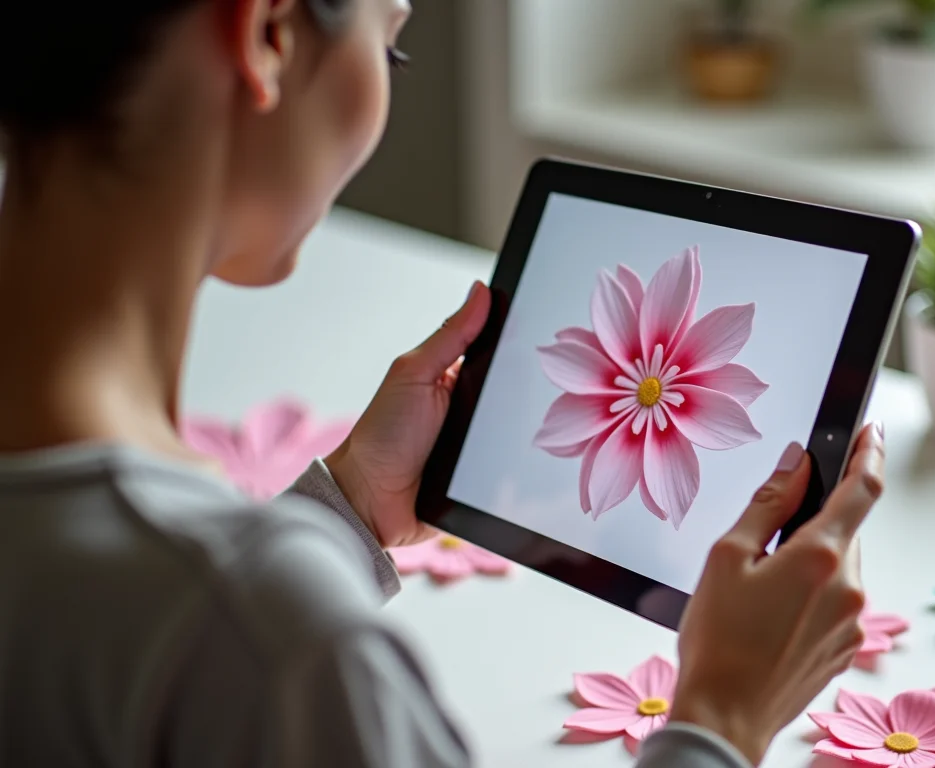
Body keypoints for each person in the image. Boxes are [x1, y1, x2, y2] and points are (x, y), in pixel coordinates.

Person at [0, 1, 887, 766]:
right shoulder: (283, 651)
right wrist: (724, 715)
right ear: (267, 32)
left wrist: (345, 510)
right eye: (392, 47)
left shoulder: (213, 616)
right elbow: (225, 635)